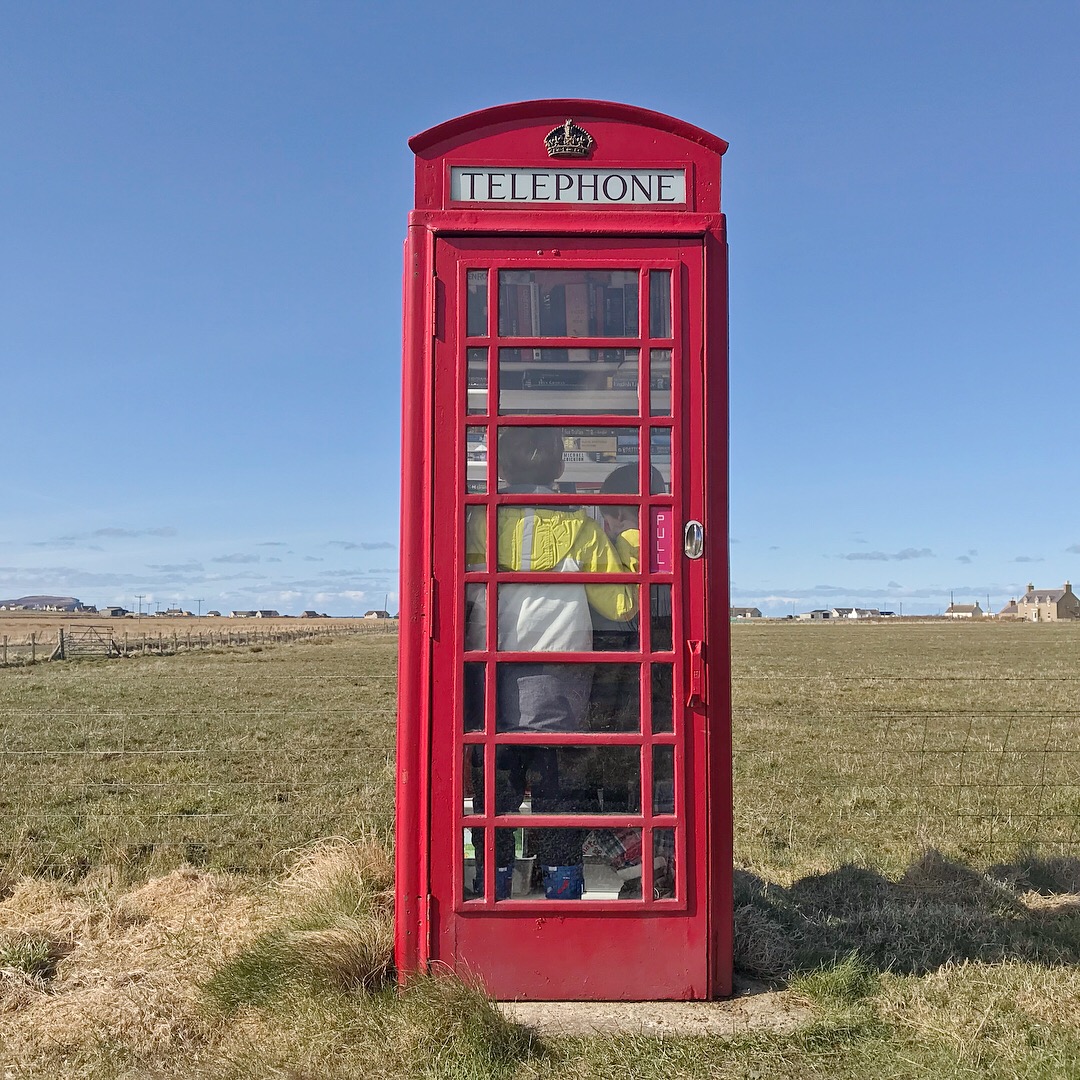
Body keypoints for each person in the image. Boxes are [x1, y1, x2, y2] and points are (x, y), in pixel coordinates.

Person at [465, 427, 637, 899]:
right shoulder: (580, 528)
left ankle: (492, 884)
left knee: (495, 792)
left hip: (488, 675)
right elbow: (623, 604)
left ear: (499, 467)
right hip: (558, 678)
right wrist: (628, 535)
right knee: (555, 789)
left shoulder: (475, 520)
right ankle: (563, 885)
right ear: (560, 467)